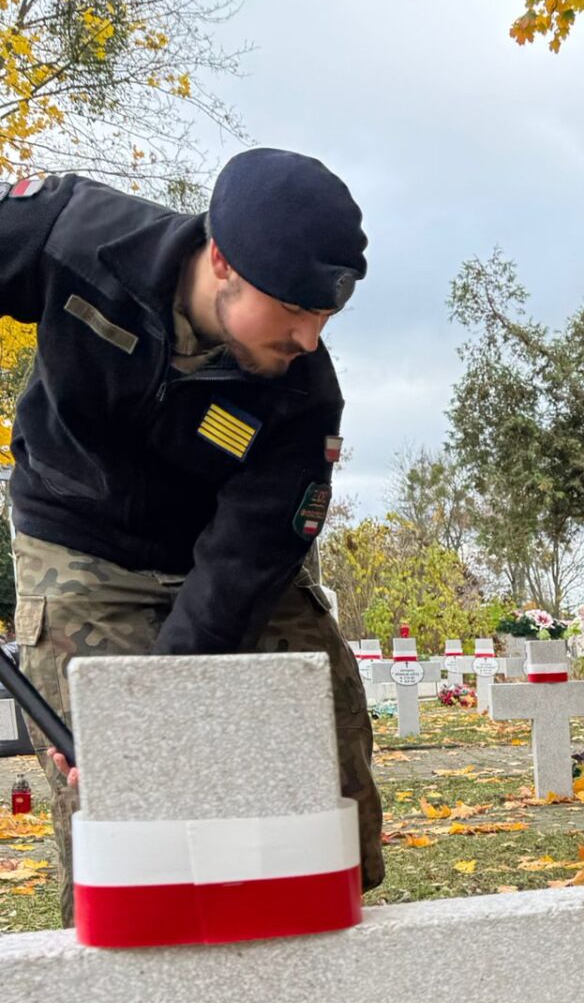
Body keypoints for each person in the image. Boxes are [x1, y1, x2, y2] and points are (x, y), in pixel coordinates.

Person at [0, 147, 382, 924]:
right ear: (221, 261)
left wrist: (158, 712)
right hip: (80, 539)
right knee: (115, 802)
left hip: (223, 556)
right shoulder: (76, 236)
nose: (309, 338)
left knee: (327, 754)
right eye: (295, 309)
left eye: (326, 317)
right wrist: (127, 734)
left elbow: (243, 567)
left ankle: (325, 948)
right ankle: (130, 961)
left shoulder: (303, 398)